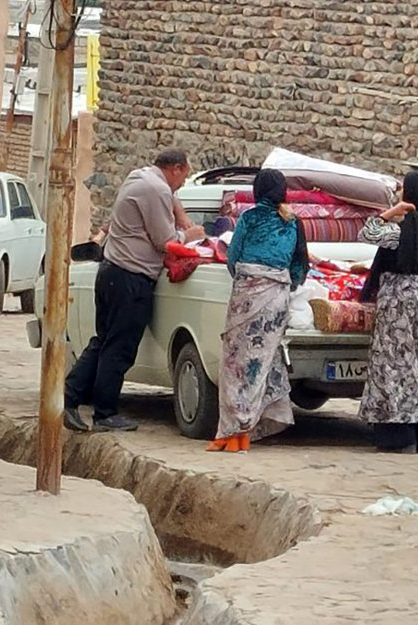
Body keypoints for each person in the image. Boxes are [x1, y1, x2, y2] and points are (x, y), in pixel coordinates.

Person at [64, 149, 206, 433]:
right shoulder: (156, 190)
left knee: (103, 341)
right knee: (119, 348)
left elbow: (168, 199)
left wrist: (177, 209)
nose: (182, 183)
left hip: (111, 272)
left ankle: (70, 398)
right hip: (131, 277)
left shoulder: (140, 177)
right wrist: (189, 236)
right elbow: (164, 241)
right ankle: (105, 413)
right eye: (184, 176)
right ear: (175, 169)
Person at [208, 170, 310, 453]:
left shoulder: (249, 218)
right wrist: (282, 286)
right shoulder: (293, 222)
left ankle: (232, 432)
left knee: (234, 365)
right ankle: (245, 433)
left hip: (247, 298)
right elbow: (301, 264)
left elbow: (233, 257)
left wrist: (248, 282)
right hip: (276, 301)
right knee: (262, 364)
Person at [358, 171, 418, 454]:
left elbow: (366, 233)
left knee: (391, 367)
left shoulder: (401, 230)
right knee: (414, 368)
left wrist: (391, 212)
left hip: (398, 301)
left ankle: (399, 435)